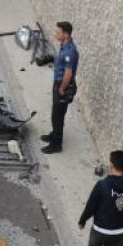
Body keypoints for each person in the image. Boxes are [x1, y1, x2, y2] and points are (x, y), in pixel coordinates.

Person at [40, 21, 78, 154]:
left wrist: (62, 89)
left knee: (58, 116)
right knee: (55, 113)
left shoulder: (70, 52)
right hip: (58, 83)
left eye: (58, 32)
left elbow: (68, 74)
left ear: (66, 34)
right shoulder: (64, 45)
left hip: (63, 86)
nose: (55, 34)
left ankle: (56, 144)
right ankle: (54, 134)